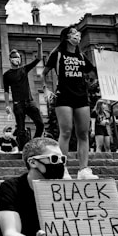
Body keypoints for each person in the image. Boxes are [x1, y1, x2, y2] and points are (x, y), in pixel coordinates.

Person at [42, 26, 98, 180]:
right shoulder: (58, 54)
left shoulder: (81, 56)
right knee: (66, 131)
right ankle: (62, 169)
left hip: (81, 96)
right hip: (64, 96)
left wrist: (92, 80)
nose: (77, 36)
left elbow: (93, 73)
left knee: (83, 133)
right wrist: (46, 89)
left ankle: (83, 170)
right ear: (66, 37)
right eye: (73, 33)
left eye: (78, 34)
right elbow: (44, 73)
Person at [3, 38, 45, 150]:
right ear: (10, 59)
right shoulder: (7, 75)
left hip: (29, 101)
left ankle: (34, 144)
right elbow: (6, 90)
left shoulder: (24, 69)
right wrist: (7, 105)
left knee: (40, 124)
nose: (17, 59)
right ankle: (22, 150)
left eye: (18, 57)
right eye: (15, 57)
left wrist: (39, 45)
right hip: (18, 104)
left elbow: (39, 58)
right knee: (21, 129)